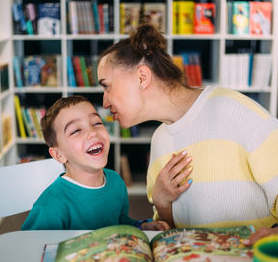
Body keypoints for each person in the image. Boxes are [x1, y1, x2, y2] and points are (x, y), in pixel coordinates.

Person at [97, 24, 278, 245]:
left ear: (142, 77)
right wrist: (162, 203)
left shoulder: (233, 109)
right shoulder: (160, 140)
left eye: (106, 86)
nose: (105, 101)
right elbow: (175, 234)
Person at [21, 95, 169, 231]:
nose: (92, 132)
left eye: (97, 123)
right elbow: (31, 247)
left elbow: (120, 223)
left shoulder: (116, 182)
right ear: (59, 155)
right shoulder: (51, 205)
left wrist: (142, 226)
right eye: (76, 130)